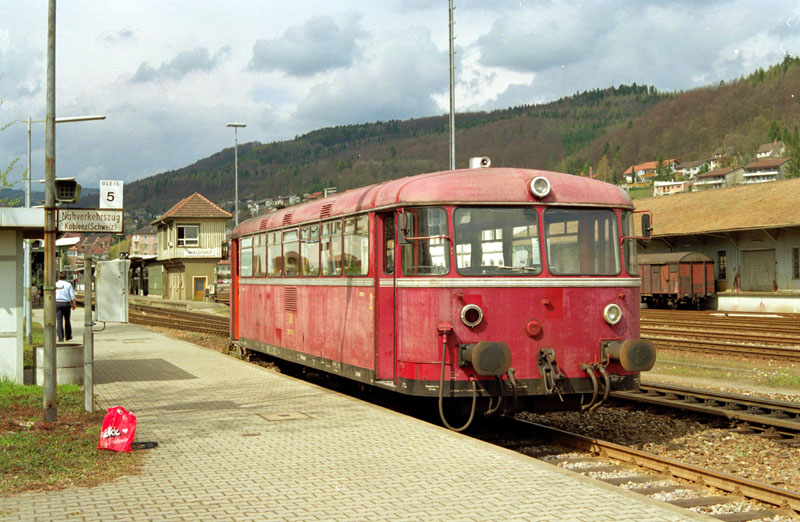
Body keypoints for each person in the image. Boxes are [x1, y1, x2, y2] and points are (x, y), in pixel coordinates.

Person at [55, 271, 77, 342]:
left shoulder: (55, 284)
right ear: (65, 277)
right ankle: (68, 336)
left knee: (59, 321)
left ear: (58, 277)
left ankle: (60, 337)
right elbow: (72, 296)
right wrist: (74, 304)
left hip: (57, 303)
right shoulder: (68, 284)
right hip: (66, 304)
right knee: (67, 320)